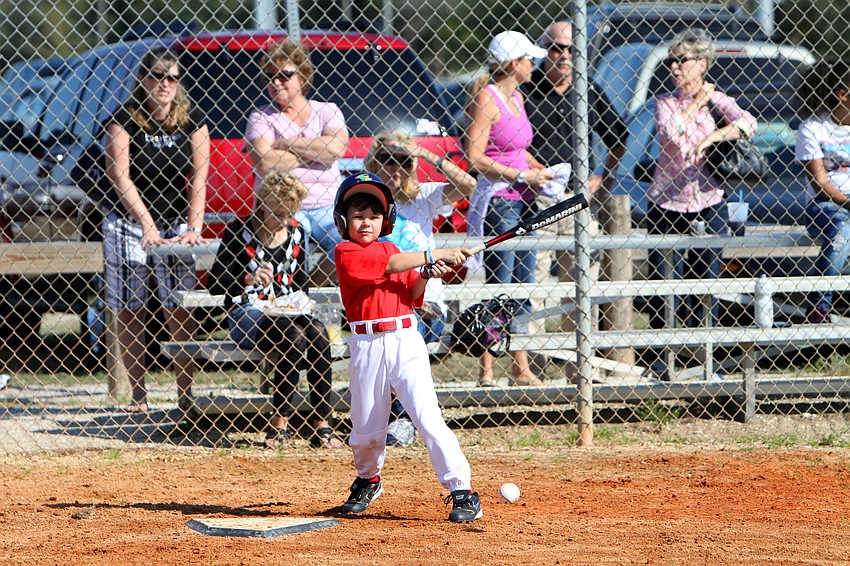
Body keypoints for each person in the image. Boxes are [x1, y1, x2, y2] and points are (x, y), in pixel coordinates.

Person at [333, 172, 482, 523]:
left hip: (404, 341)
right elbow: (389, 266)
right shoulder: (347, 251)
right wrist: (434, 252)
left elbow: (410, 294)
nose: (366, 222)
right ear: (344, 221)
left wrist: (428, 273)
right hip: (366, 343)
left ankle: (462, 490)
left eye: (373, 216)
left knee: (427, 418)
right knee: (366, 427)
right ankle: (368, 478)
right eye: (358, 216)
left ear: (386, 221)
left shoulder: (394, 249)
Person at [102, 47, 210, 414]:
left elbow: (199, 176)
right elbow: (120, 175)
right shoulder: (123, 119)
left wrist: (193, 227)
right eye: (156, 76)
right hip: (129, 221)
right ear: (143, 80)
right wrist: (146, 225)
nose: (163, 84)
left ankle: (185, 396)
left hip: (175, 221)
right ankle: (138, 395)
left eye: (171, 78)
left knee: (178, 308)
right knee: (131, 308)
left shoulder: (192, 120)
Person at [206, 168, 345, 449]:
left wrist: (303, 302)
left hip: (287, 309)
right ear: (263, 205)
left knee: (317, 332)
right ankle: (279, 422)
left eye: (289, 213)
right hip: (248, 313)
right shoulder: (239, 231)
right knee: (292, 335)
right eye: (278, 213)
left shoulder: (295, 232)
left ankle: (322, 422)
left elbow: (299, 283)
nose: (284, 220)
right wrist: (247, 278)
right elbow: (215, 283)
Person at [647, 29, 757, 379]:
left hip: (708, 200)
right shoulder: (664, 102)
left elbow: (748, 124)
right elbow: (672, 135)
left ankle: (703, 362)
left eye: (683, 60)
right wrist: (697, 101)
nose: (675, 67)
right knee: (667, 287)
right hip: (667, 203)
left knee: (705, 284)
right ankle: (663, 361)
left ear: (703, 63)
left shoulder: (718, 100)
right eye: (672, 61)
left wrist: (714, 134)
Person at [364, 130, 476, 443]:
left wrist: (426, 154)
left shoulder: (422, 196)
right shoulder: (364, 205)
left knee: (404, 332)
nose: (394, 168)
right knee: (388, 333)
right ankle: (390, 417)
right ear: (374, 162)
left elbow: (469, 186)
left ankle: (402, 418)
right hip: (382, 303)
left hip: (423, 305)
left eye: (403, 161)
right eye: (387, 160)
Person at [465, 30, 555, 387]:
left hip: (525, 198)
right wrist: (520, 173)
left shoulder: (517, 96)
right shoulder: (488, 98)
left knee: (522, 286)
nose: (535, 65)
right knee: (500, 285)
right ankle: (487, 369)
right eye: (529, 59)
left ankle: (521, 367)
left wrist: (540, 171)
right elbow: (476, 156)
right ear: (514, 63)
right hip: (502, 201)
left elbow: (518, 149)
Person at [522, 20, 628, 285]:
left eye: (573, 49)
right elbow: (508, 140)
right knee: (536, 277)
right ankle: (533, 327)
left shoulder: (588, 89)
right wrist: (536, 169)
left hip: (578, 195)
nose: (566, 56)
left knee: (583, 278)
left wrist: (604, 179)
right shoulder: (525, 88)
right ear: (544, 50)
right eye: (557, 49)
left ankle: (580, 327)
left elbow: (618, 138)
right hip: (536, 197)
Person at [245, 39, 349, 278]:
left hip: (328, 206)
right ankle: (294, 294)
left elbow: (335, 150)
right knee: (284, 254)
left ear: (302, 76)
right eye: (270, 76)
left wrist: (285, 143)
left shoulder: (327, 110)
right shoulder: (260, 116)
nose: (276, 82)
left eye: (284, 75)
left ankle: (310, 286)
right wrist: (316, 155)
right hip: (283, 208)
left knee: (352, 244)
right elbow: (264, 162)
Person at [795, 60, 850, 324]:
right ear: (843, 94)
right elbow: (819, 182)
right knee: (842, 231)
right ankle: (819, 306)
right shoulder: (813, 127)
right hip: (826, 205)